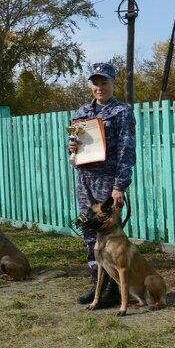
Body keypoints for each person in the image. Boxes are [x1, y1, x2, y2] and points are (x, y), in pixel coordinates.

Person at [68, 63, 136, 308]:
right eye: (95, 83)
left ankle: (113, 289)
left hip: (107, 180)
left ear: (112, 83)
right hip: (84, 178)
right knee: (89, 231)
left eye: (104, 82)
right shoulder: (82, 111)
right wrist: (72, 148)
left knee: (109, 234)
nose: (99, 87)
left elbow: (127, 151)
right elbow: (73, 144)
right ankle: (95, 281)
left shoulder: (121, 112)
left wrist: (119, 186)